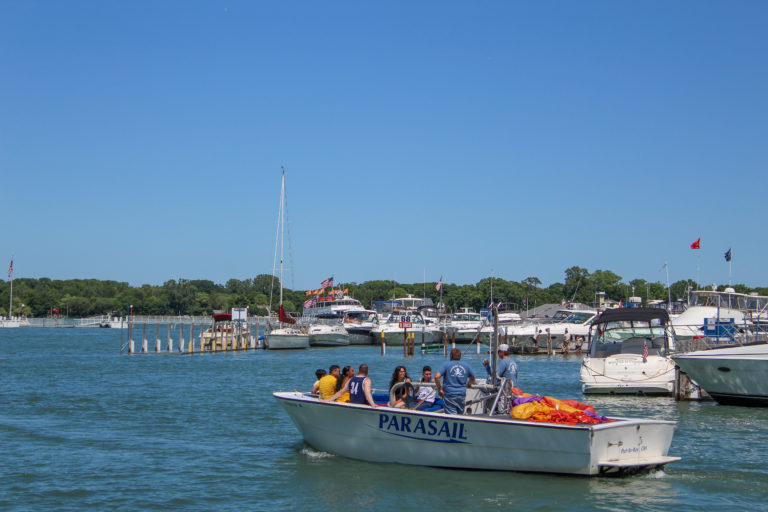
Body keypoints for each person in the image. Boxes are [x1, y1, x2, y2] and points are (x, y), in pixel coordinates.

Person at [435, 348, 476, 415]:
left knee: (452, 417)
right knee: (460, 415)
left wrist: (440, 389)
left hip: (449, 394)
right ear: (460, 356)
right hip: (461, 394)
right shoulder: (466, 365)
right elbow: (473, 377)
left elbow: (437, 377)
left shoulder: (446, 365)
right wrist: (469, 383)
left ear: (450, 356)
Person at [482, 344, 518, 414]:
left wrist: (487, 366)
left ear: (502, 352)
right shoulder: (513, 362)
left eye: (498, 352)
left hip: (505, 391)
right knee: (508, 408)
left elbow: (495, 376)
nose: (498, 354)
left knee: (502, 410)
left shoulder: (504, 362)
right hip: (513, 390)